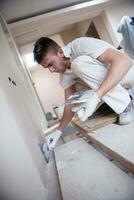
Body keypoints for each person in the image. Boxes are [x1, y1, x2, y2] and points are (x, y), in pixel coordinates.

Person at [33, 36, 134, 150]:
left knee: (78, 64)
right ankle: (108, 106)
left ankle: (126, 106)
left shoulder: (81, 45)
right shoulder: (65, 76)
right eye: (47, 68)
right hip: (117, 86)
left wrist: (96, 97)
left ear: (60, 52)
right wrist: (58, 132)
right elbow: (70, 104)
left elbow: (125, 61)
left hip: (127, 74)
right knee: (76, 90)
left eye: (51, 64)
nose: (51, 70)